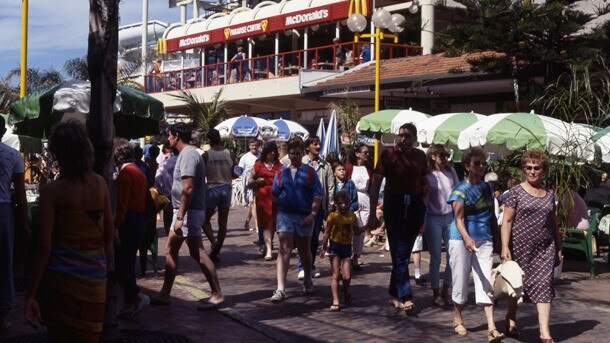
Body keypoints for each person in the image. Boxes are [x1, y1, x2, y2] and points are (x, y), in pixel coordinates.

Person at [25, 120, 113, 342]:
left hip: (61, 286)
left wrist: (31, 294)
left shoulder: (52, 192)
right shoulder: (100, 184)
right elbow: (109, 236)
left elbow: (44, 247)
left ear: (58, 153)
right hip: (95, 283)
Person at [152, 123, 224, 310]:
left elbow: (188, 187)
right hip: (185, 211)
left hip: (188, 212)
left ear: (176, 136)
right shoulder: (186, 154)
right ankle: (165, 293)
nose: (168, 139)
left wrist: (180, 216)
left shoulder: (188, 155)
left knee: (194, 252)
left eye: (169, 135)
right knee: (175, 250)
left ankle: (216, 294)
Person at [501, 150, 562, 343]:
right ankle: (511, 316)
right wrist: (504, 246)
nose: (533, 171)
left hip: (545, 248)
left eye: (537, 168)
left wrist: (559, 247)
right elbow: (507, 221)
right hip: (520, 248)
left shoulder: (550, 194)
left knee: (545, 285)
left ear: (543, 170)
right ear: (523, 169)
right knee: (517, 288)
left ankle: (545, 332)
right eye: (529, 167)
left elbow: (553, 223)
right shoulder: (516, 192)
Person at [366, 123, 427, 314]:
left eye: (407, 136)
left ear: (415, 139)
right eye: (400, 135)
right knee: (400, 251)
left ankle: (393, 293)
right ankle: (406, 295)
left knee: (404, 252)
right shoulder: (388, 154)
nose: (403, 139)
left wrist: (423, 200)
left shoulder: (420, 156)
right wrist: (372, 213)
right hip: (395, 205)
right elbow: (375, 184)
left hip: (415, 205)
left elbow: (424, 181)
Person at [447, 147, 504, 342]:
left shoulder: (487, 188)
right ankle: (457, 317)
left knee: (485, 279)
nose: (481, 167)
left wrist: (497, 240)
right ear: (466, 166)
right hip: (460, 240)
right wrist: (467, 238)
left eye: (483, 163)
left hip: (484, 238)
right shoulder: (459, 190)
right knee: (461, 278)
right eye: (476, 163)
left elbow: (491, 216)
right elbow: (458, 219)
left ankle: (491, 326)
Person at [270, 138, 323, 303]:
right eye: (292, 153)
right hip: (285, 215)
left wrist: (313, 213)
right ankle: (280, 288)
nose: (295, 156)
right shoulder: (281, 172)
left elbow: (317, 194)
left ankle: (307, 277)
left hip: (304, 216)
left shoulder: (309, 172)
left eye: (298, 153)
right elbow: (275, 193)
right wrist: (279, 212)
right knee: (284, 249)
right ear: (289, 154)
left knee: (304, 251)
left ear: (303, 153)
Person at [112, 138, 150, 318]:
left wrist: (115, 226)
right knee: (127, 264)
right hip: (139, 219)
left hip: (129, 220)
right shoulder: (138, 170)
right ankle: (129, 302)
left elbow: (122, 204)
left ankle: (137, 294)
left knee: (119, 266)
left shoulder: (126, 174)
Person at [1, 116, 29, 331]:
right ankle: (3, 314)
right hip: (4, 210)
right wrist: (24, 222)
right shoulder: (13, 155)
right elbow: (20, 192)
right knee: (5, 261)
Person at [423, 144, 459, 307]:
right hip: (433, 218)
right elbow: (423, 197)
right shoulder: (427, 174)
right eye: (442, 155)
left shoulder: (451, 172)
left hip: (450, 217)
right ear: (433, 156)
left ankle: (446, 290)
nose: (445, 158)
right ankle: (436, 292)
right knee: (436, 257)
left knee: (453, 256)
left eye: (446, 155)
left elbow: (458, 191)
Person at [298, 136, 335, 280]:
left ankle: (310, 266)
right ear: (308, 147)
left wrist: (330, 206)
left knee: (314, 238)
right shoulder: (301, 163)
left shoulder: (325, 166)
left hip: (319, 207)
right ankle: (302, 267)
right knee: (303, 237)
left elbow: (331, 187)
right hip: (303, 205)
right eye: (315, 144)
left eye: (319, 144)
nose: (318, 146)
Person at [320, 191, 364, 311]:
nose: (343, 206)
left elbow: (357, 231)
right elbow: (327, 233)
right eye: (340, 203)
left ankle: (345, 291)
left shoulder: (352, 216)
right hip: (334, 247)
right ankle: (336, 300)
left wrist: (367, 226)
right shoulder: (332, 216)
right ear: (336, 204)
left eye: (346, 203)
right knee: (335, 274)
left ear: (350, 203)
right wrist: (324, 248)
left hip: (346, 248)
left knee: (346, 276)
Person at [203, 129, 237, 262]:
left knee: (204, 220)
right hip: (226, 189)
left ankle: (214, 243)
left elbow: (201, 174)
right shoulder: (230, 153)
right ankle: (217, 249)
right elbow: (235, 173)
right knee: (223, 223)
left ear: (209, 141)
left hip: (212, 188)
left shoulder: (206, 155)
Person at [247, 142, 282, 260]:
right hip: (262, 196)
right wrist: (257, 181)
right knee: (265, 223)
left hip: (275, 197)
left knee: (272, 223)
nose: (272, 154)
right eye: (270, 151)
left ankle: (269, 245)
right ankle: (269, 249)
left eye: (274, 152)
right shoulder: (259, 165)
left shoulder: (279, 165)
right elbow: (250, 181)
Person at [345, 143, 372, 271]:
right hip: (352, 199)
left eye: (368, 152)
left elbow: (372, 186)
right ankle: (347, 257)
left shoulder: (369, 169)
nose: (367, 154)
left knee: (361, 230)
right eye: (364, 152)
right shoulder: (349, 167)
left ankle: (356, 257)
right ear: (357, 154)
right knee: (352, 227)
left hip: (365, 198)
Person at [239, 139, 260, 231]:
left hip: (259, 182)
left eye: (255, 145)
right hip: (249, 183)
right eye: (252, 145)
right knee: (253, 202)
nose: (254, 147)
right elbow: (239, 170)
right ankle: (257, 225)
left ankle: (247, 222)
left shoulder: (261, 155)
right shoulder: (245, 157)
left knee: (253, 203)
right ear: (249, 146)